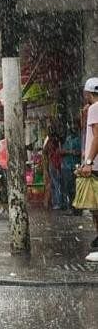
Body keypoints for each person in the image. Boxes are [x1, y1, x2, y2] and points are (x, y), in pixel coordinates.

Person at [78, 78, 98, 262]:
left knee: (95, 206)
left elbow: (97, 137)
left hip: (96, 165)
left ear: (88, 93)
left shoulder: (94, 109)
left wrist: (89, 161)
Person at [60, 122, 82, 213]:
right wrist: (69, 152)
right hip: (67, 167)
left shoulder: (79, 140)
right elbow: (61, 151)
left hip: (75, 167)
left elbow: (80, 152)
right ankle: (71, 207)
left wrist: (75, 152)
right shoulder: (67, 140)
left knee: (75, 188)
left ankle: (77, 208)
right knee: (68, 188)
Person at [42, 127, 63, 210]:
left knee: (56, 185)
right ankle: (56, 203)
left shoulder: (54, 142)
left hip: (55, 165)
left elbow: (45, 150)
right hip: (53, 165)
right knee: (55, 185)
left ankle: (58, 203)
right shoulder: (52, 141)